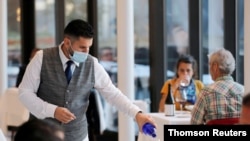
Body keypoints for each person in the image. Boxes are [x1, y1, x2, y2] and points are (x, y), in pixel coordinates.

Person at [18, 19, 156, 141]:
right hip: (43, 135)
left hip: (78, 136)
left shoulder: (92, 64)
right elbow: (24, 93)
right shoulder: (41, 58)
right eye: (82, 48)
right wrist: (52, 110)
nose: (86, 52)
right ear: (67, 42)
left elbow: (113, 94)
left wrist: (137, 114)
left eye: (89, 47)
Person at [190, 48, 244, 124]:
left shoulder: (206, 92)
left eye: (210, 65)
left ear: (215, 67)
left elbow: (194, 123)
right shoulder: (244, 91)